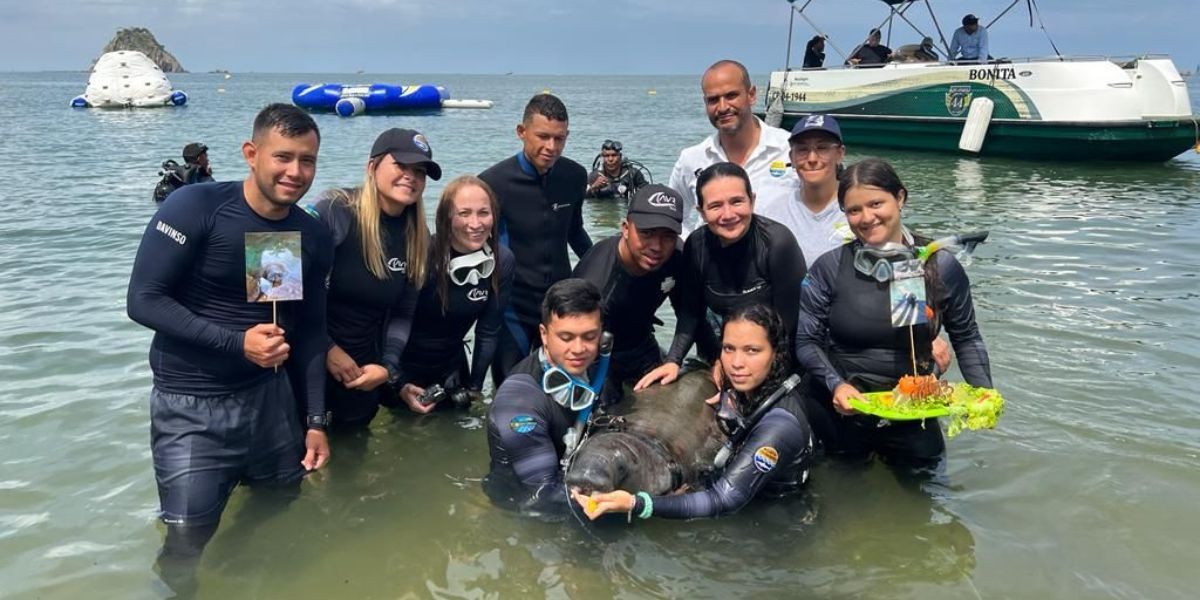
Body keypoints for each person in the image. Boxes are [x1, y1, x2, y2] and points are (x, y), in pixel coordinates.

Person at [126, 104, 332, 567]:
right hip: (191, 405)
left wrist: (316, 421)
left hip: (270, 401)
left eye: (308, 160)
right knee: (186, 538)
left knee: (280, 501)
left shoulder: (308, 234)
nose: (295, 172)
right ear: (250, 153)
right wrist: (237, 343)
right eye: (283, 157)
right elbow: (144, 299)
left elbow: (313, 331)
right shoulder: (196, 207)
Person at [794, 158, 993, 469]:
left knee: (924, 492)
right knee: (842, 492)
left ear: (900, 198)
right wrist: (836, 384)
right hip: (844, 403)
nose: (866, 217)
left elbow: (966, 337)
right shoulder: (830, 267)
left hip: (912, 404)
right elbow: (807, 341)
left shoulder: (939, 266)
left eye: (876, 203)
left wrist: (984, 395)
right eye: (853, 210)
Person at [573, 303, 813, 520]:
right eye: (729, 349)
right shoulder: (745, 392)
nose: (737, 363)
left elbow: (724, 500)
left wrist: (637, 503)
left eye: (752, 351)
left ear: (777, 354)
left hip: (770, 517)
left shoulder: (780, 426)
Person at [638, 162, 806, 389]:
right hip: (723, 345)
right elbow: (690, 312)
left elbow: (790, 329)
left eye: (737, 201)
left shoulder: (777, 243)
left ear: (752, 200)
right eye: (715, 206)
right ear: (701, 212)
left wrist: (744, 379)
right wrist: (673, 360)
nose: (728, 214)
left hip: (774, 352)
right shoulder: (697, 245)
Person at [312, 128, 437, 426]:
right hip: (311, 362)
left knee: (355, 463)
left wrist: (387, 369)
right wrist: (327, 348)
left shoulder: (419, 237)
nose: (411, 176)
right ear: (372, 167)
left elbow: (403, 313)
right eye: (401, 165)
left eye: (419, 171)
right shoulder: (334, 210)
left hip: (364, 374)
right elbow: (286, 292)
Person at [479, 93, 592, 387]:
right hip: (512, 306)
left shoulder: (575, 176)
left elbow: (576, 233)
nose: (551, 147)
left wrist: (606, 269)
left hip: (559, 304)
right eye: (543, 136)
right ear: (521, 132)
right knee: (510, 389)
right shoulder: (493, 182)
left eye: (560, 138)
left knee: (564, 389)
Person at [483, 278, 608, 514]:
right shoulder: (519, 401)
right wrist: (638, 499)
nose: (579, 349)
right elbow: (542, 494)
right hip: (525, 505)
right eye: (566, 337)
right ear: (544, 334)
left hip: (571, 474)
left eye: (590, 337)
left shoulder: (595, 361)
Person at [397, 175, 515, 410]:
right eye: (464, 213)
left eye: (484, 213)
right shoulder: (422, 254)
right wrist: (396, 381)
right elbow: (393, 321)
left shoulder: (502, 261)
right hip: (404, 365)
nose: (475, 223)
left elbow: (488, 331)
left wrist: (475, 387)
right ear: (446, 217)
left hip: (452, 366)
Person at [573, 184, 684, 406]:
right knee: (608, 408)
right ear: (625, 228)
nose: (657, 246)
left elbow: (689, 310)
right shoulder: (597, 280)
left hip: (641, 345)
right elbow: (575, 344)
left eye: (668, 236)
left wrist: (676, 359)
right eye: (647, 233)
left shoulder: (677, 256)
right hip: (596, 354)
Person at [668, 60, 799, 235]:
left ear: (751, 95)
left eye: (731, 96)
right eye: (713, 100)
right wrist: (690, 249)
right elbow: (673, 217)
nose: (722, 107)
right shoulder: (692, 159)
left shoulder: (789, 149)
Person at [758, 114, 854, 269]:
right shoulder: (771, 211)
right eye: (802, 149)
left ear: (840, 153)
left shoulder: (858, 207)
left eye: (822, 148)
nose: (812, 158)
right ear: (792, 157)